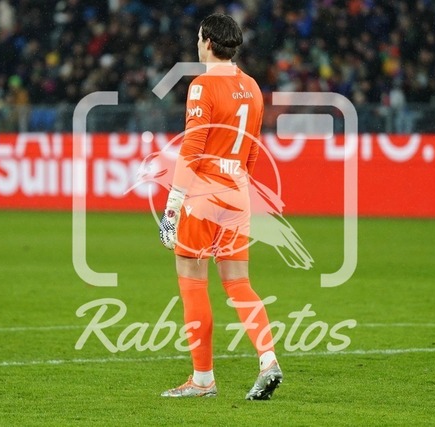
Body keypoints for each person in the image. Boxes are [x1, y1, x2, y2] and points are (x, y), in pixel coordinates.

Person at [159, 13, 282, 400]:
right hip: (237, 192)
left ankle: (203, 379)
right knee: (239, 283)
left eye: (199, 38)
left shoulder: (202, 85)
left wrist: (172, 206)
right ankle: (268, 360)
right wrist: (239, 185)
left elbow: (192, 148)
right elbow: (253, 150)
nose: (197, 44)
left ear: (209, 43)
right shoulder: (252, 86)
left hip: (203, 195)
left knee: (192, 281)